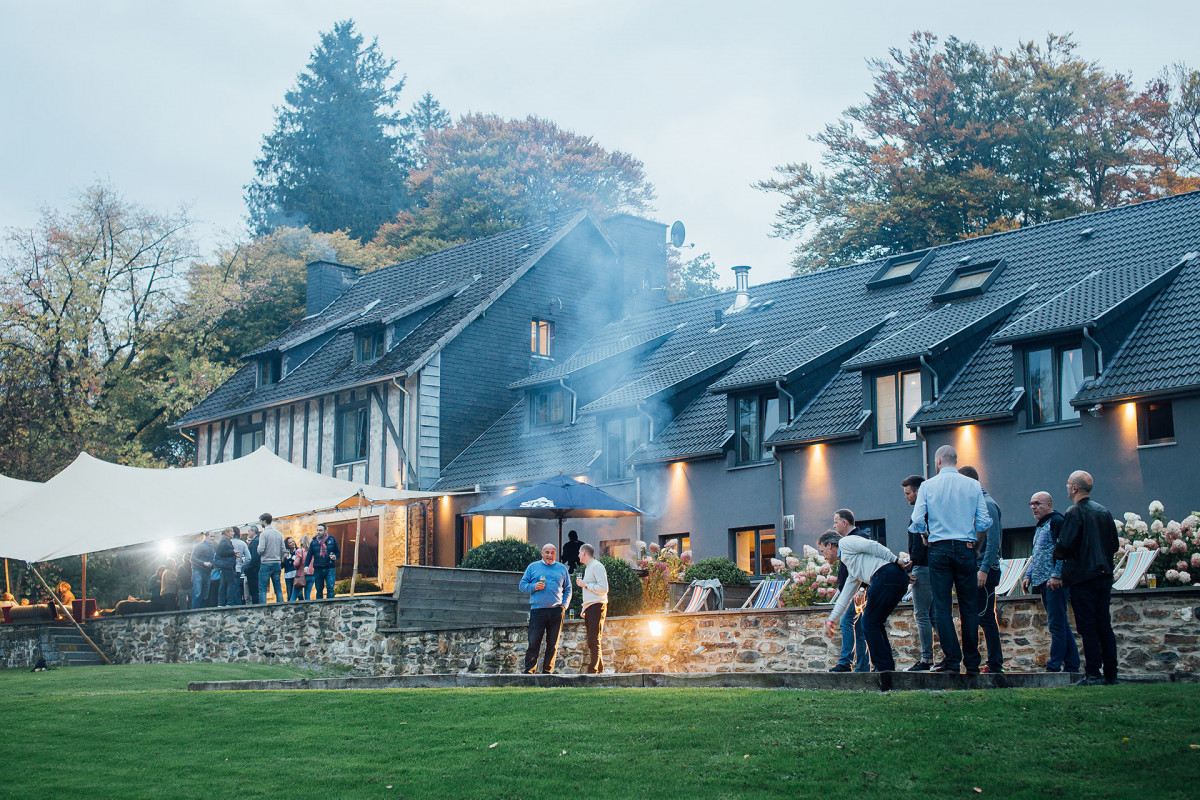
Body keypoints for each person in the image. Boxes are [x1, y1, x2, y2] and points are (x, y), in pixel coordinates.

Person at [909, 445, 992, 674]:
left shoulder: (928, 486)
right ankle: (973, 663)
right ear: (955, 461)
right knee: (969, 608)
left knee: (942, 608)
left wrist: (926, 535)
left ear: (937, 462)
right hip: (965, 547)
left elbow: (916, 520)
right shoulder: (973, 485)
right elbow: (984, 522)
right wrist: (973, 543)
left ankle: (952, 660)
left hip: (939, 548)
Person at [1054, 470, 1119, 686]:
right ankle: (1111, 673)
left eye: (1067, 483)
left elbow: (1064, 546)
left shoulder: (1074, 512)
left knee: (1088, 627)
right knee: (1104, 625)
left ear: (1074, 488)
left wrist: (1058, 552)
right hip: (1104, 574)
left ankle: (1093, 673)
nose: (1066, 487)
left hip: (1083, 577)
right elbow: (1115, 544)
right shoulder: (1104, 512)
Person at [820, 530, 912, 672]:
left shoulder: (845, 542)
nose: (823, 555)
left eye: (822, 550)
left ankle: (883, 667)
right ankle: (886, 667)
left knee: (869, 622)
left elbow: (873, 545)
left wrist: (895, 560)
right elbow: (844, 598)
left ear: (830, 545)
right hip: (895, 578)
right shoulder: (853, 569)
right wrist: (831, 621)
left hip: (886, 575)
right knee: (874, 622)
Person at [1022, 491, 1080, 674]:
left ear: (1048, 504)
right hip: (1044, 582)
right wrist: (1028, 575)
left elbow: (1064, 550)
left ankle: (1054, 665)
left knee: (1056, 624)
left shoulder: (1057, 521)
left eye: (1037, 503)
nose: (1033, 507)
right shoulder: (1040, 526)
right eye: (1031, 504)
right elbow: (1036, 553)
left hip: (1055, 582)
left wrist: (1057, 575)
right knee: (1060, 622)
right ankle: (1072, 665)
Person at [959, 465, 1004, 674]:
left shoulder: (987, 505)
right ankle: (988, 663)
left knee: (985, 617)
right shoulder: (976, 505)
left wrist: (984, 569)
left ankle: (995, 664)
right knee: (978, 616)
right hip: (975, 569)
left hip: (984, 570)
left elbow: (993, 542)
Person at [519, 543, 572, 674]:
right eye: (547, 552)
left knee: (552, 644)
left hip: (556, 611)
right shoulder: (533, 567)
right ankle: (529, 672)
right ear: (542, 553)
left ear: (556, 554)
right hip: (538, 610)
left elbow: (568, 588)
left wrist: (564, 605)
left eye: (552, 552)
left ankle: (548, 672)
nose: (549, 555)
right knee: (533, 642)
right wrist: (534, 586)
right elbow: (522, 585)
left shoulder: (561, 568)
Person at [828, 509, 870, 673]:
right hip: (854, 589)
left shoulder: (859, 538)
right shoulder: (850, 539)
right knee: (859, 628)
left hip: (858, 591)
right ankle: (862, 666)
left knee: (846, 622)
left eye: (836, 522)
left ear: (844, 523)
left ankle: (845, 663)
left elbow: (865, 564)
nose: (834, 525)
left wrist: (862, 588)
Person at [901, 474, 935, 671]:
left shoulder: (921, 515)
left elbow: (921, 546)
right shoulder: (929, 512)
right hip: (928, 567)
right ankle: (949, 655)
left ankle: (927, 660)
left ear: (917, 491)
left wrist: (911, 566)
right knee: (933, 615)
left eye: (908, 493)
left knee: (921, 614)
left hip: (923, 568)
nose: (906, 497)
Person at [576, 543, 609, 674]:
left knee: (594, 639)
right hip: (591, 607)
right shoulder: (589, 568)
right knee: (592, 639)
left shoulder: (597, 566)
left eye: (579, 553)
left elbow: (604, 588)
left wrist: (586, 584)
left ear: (584, 553)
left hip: (597, 606)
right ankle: (598, 669)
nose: (578, 555)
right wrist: (585, 607)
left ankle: (593, 669)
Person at [306, 524, 340, 599]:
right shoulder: (314, 542)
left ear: (325, 531)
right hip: (318, 568)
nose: (318, 532)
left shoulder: (332, 540)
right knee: (319, 590)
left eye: (320, 530)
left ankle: (330, 607)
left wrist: (335, 556)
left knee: (330, 588)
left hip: (329, 567)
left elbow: (338, 552)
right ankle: (319, 607)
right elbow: (309, 555)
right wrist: (306, 566)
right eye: (317, 530)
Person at [257, 513, 285, 603]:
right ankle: (281, 606)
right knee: (278, 587)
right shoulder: (278, 533)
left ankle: (263, 608)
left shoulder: (264, 534)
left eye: (261, 521)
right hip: (277, 563)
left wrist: (258, 550)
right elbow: (283, 549)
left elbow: (261, 549)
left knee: (263, 588)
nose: (260, 522)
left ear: (264, 521)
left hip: (266, 563)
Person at [190, 532, 217, 609]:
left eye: (214, 536)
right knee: (198, 593)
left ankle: (201, 612)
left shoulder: (212, 549)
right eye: (211, 536)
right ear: (206, 536)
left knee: (205, 595)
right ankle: (195, 612)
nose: (213, 538)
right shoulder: (199, 546)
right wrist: (203, 563)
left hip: (207, 573)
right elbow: (192, 558)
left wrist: (214, 566)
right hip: (198, 572)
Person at [215, 528, 239, 607]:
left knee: (224, 583)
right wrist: (233, 552)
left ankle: (221, 603)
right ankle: (229, 602)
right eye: (231, 532)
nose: (233, 533)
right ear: (226, 533)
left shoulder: (225, 541)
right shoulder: (224, 541)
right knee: (230, 583)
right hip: (227, 565)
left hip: (225, 565)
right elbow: (221, 552)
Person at [230, 528, 250, 606]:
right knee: (237, 590)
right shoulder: (242, 543)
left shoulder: (228, 543)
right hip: (238, 569)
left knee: (231, 590)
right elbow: (248, 558)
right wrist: (242, 568)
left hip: (229, 569)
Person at [244, 524, 262, 604]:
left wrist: (248, 568)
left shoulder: (255, 541)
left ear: (253, 531)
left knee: (254, 591)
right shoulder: (256, 541)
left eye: (249, 531)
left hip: (254, 570)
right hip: (255, 569)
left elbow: (254, 557)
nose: (248, 533)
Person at [298, 535, 315, 599]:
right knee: (307, 594)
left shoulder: (300, 551)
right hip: (312, 573)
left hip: (303, 574)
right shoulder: (313, 552)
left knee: (296, 593)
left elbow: (296, 563)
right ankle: (308, 608)